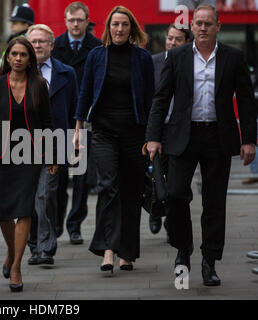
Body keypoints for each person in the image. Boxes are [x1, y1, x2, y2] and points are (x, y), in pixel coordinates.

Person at [146, 5, 256, 286]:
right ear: (191, 26)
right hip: (183, 136)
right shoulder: (178, 56)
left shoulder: (233, 57)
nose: (204, 28)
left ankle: (209, 261)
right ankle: (183, 249)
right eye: (199, 23)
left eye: (209, 23)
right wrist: (153, 137)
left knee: (214, 201)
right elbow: (161, 98)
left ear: (218, 26)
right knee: (176, 195)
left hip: (218, 137)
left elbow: (245, 100)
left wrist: (249, 140)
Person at [0, 37, 57, 292]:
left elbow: (46, 122)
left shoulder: (39, 84)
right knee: (4, 211)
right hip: (0, 156)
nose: (18, 58)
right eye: (14, 54)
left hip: (30, 156)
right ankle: (11, 251)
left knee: (24, 209)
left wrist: (52, 155)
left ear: (30, 59)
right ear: (7, 57)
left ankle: (17, 266)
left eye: (23, 54)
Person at [75, 5, 154, 273]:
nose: (119, 29)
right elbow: (84, 93)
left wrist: (153, 137)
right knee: (108, 186)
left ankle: (127, 252)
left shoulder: (142, 58)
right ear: (108, 28)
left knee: (131, 191)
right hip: (103, 133)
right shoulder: (97, 56)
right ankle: (108, 249)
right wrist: (77, 130)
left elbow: (151, 99)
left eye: (124, 24)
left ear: (132, 28)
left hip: (135, 135)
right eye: (115, 24)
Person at [25, 24, 79, 265]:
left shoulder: (66, 73)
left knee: (45, 195)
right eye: (33, 41)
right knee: (29, 197)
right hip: (22, 144)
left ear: (51, 44)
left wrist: (76, 140)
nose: (37, 45)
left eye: (42, 41)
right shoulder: (16, 72)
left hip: (55, 143)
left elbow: (74, 109)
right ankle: (34, 245)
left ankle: (45, 247)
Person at [51, 1, 101, 244]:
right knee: (59, 177)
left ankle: (75, 225)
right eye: (71, 20)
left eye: (80, 20)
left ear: (87, 20)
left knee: (81, 177)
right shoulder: (56, 46)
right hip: (60, 120)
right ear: (66, 21)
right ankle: (57, 221)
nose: (76, 24)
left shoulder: (96, 46)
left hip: (85, 120)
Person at [148, 25, 191, 235]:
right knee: (156, 173)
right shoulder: (153, 62)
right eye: (170, 38)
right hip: (157, 128)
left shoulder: (190, 64)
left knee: (175, 180)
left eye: (178, 39)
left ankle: (170, 218)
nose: (172, 42)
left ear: (186, 43)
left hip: (179, 130)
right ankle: (155, 211)